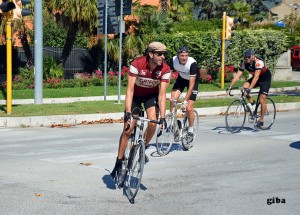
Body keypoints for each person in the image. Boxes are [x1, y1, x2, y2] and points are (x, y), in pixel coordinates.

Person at [110, 42, 171, 178]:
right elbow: (130, 89)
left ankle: (143, 147)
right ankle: (118, 162)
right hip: (136, 96)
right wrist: (127, 112)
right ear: (150, 54)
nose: (162, 57)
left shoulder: (165, 69)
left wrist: (162, 116)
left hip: (151, 97)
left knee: (153, 122)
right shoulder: (137, 64)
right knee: (128, 128)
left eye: (164, 54)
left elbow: (162, 95)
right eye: (159, 54)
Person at [226, 49, 272, 129]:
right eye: (245, 57)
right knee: (243, 88)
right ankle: (252, 102)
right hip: (255, 78)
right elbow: (237, 75)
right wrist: (230, 87)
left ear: (253, 56)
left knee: (262, 99)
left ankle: (261, 121)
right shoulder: (244, 63)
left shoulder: (259, 62)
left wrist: (250, 89)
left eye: (248, 57)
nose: (246, 58)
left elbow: (257, 76)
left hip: (265, 79)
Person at [168, 46, 200, 140]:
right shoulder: (173, 60)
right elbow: (168, 78)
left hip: (192, 82)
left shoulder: (192, 63)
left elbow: (191, 85)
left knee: (189, 108)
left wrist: (185, 101)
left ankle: (190, 129)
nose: (184, 58)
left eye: (186, 55)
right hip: (181, 80)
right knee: (173, 99)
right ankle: (173, 123)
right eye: (182, 56)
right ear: (178, 55)